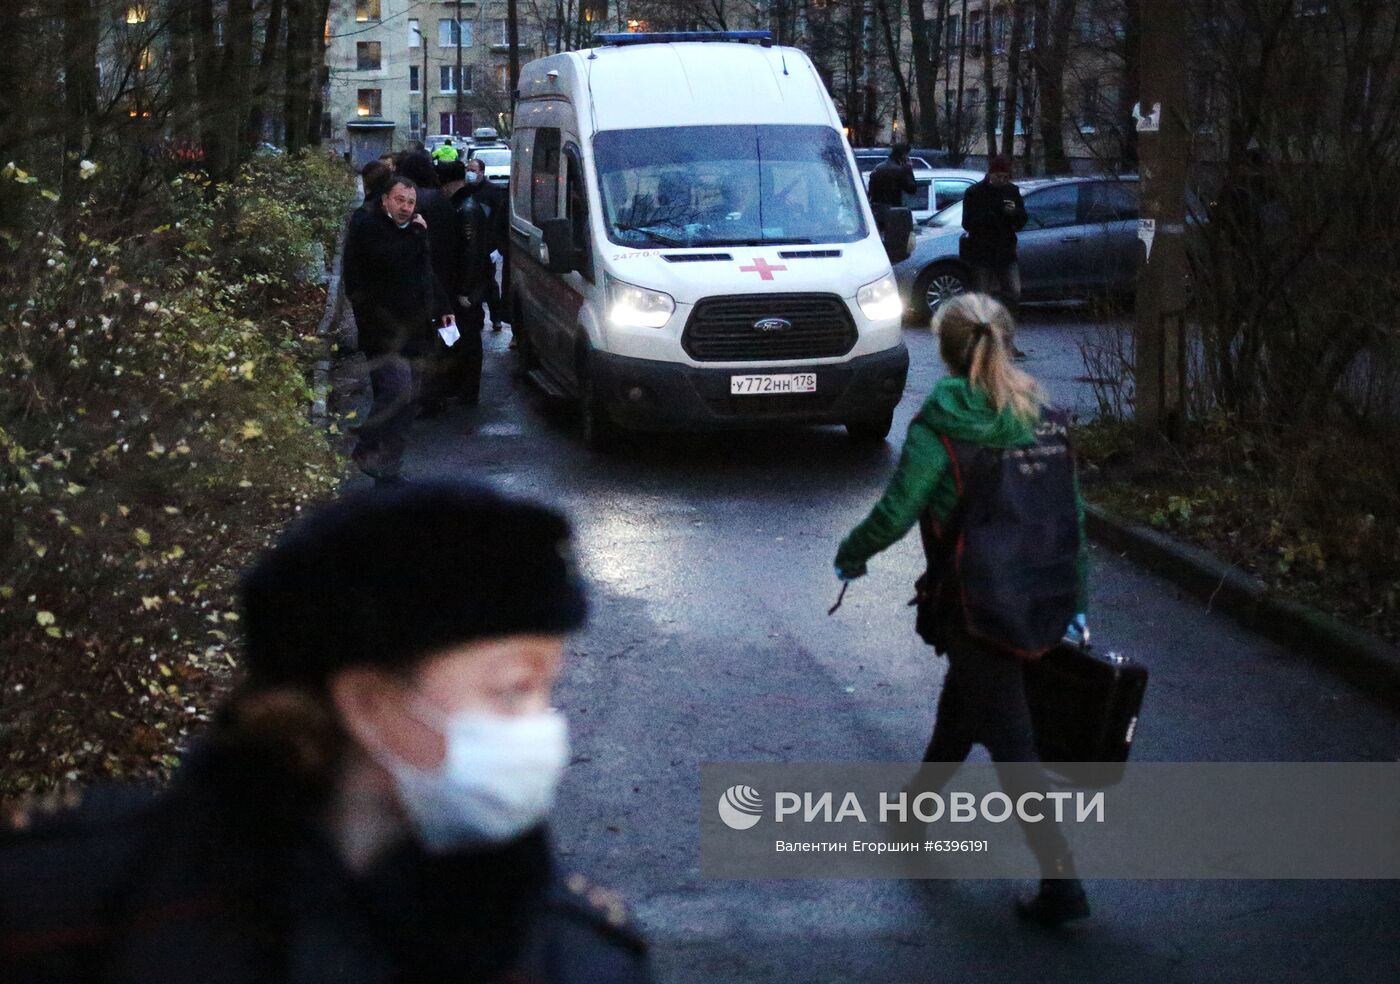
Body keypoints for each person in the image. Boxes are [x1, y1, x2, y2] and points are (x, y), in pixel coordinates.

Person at [0, 481, 652, 982]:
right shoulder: (58, 908)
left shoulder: (573, 955)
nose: (543, 733)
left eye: (545, 691)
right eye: (512, 690)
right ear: (365, 703)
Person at [833, 293, 1091, 928]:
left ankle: (1062, 883)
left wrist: (851, 554)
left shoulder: (940, 426)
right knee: (968, 705)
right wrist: (1077, 602)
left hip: (977, 604)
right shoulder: (1047, 416)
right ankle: (914, 810)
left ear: (946, 353)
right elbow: (1072, 519)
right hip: (1041, 594)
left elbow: (897, 511)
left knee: (1012, 741)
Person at [341, 176, 455, 485]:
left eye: (410, 202)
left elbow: (424, 272)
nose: (405, 208)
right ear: (385, 200)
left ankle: (387, 468)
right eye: (400, 200)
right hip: (383, 330)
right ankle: (365, 446)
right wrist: (418, 232)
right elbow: (390, 260)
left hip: (414, 329)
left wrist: (443, 307)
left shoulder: (412, 232)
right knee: (397, 390)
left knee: (410, 400)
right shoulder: (368, 226)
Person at [395, 153, 465, 415]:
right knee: (439, 336)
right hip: (444, 274)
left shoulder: (413, 202)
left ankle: (424, 397)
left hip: (422, 278)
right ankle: (439, 392)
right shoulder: (441, 199)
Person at [960, 156, 1028, 356]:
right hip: (982, 252)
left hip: (1005, 251)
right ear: (990, 174)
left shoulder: (1011, 191)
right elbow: (967, 222)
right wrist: (989, 216)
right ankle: (980, 344)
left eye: (1006, 177)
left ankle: (1006, 341)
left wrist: (1013, 213)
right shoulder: (974, 193)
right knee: (981, 298)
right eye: (999, 176)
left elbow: (1022, 219)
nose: (1002, 180)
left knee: (1013, 294)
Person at [867, 142, 918, 209]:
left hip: (876, 208)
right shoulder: (899, 170)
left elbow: (871, 190)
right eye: (908, 155)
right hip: (893, 209)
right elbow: (912, 189)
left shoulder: (878, 168)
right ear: (903, 155)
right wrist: (909, 170)